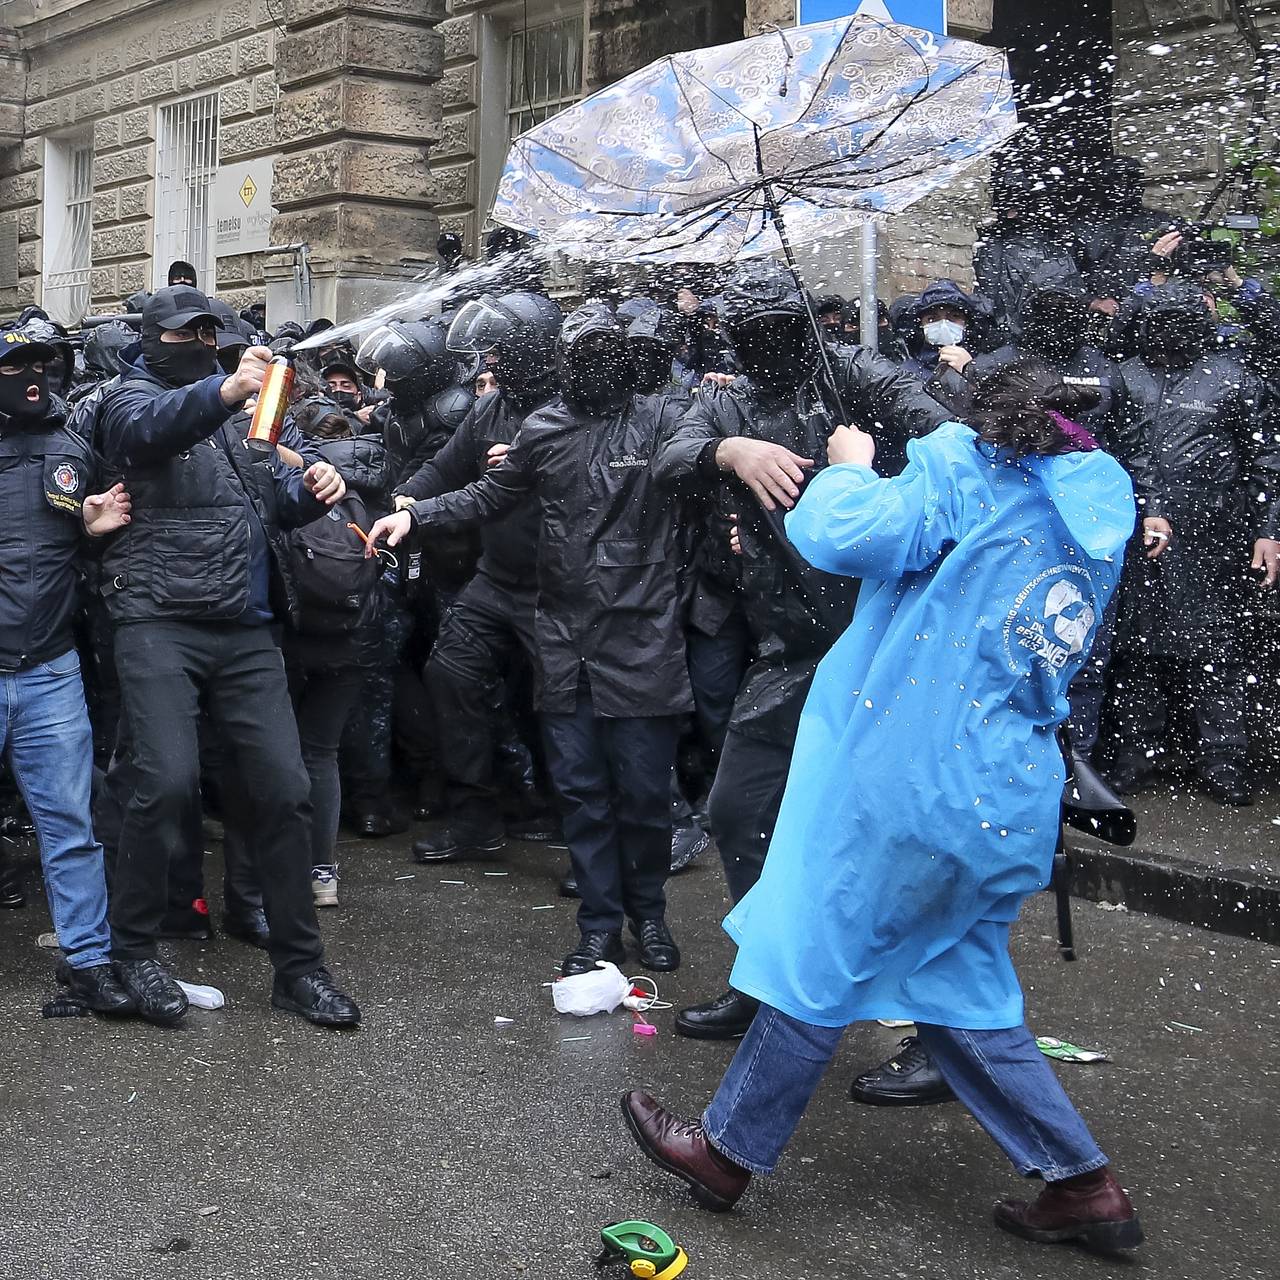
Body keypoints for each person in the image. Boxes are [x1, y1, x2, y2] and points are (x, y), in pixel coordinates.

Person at [621, 358, 1145, 1256]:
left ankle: (726, 1151)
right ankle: (1084, 1187)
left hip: (917, 778)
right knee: (960, 986)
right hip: (1006, 788)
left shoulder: (962, 472)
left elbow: (842, 536)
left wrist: (852, 464)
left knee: (824, 951)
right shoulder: (1096, 499)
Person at [652, 260, 949, 1041]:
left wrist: (877, 466)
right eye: (747, 335)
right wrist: (732, 453)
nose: (765, 347)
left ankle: (935, 1020)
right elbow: (668, 463)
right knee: (740, 808)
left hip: (884, 636)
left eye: (780, 331)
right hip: (788, 642)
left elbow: (954, 446)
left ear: (810, 325)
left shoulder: (859, 377)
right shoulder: (725, 397)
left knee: (895, 825)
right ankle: (766, 978)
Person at [368, 304, 693, 977]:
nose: (597, 367)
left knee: (639, 790)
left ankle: (650, 915)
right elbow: (483, 496)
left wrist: (733, 446)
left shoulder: (659, 418)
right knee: (580, 789)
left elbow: (702, 452)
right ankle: (600, 926)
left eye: (609, 353)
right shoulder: (542, 428)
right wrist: (415, 514)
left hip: (640, 637)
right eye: (587, 354)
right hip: (564, 636)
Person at [93, 285, 360, 1028]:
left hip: (245, 627)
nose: (202, 341)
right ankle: (135, 953)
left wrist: (312, 489)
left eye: (212, 331)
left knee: (284, 789)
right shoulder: (128, 399)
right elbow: (150, 433)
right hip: (158, 620)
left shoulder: (241, 416)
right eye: (187, 333)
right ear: (153, 338)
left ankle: (300, 970)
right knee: (165, 783)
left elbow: (268, 502)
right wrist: (227, 387)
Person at [394, 291, 564, 863]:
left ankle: (587, 830)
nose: (489, 363)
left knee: (568, 704)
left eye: (501, 352)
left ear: (531, 350)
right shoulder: (491, 408)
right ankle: (474, 818)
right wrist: (404, 499)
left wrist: (525, 462)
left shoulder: (575, 405)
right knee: (451, 674)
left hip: (560, 585)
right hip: (497, 579)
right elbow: (444, 469)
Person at [0, 328, 135, 1015]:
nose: (30, 377)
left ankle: (87, 962)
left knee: (70, 828)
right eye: (13, 365)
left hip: (50, 673)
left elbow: (79, 543)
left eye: (39, 365)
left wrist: (90, 525)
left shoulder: (72, 449)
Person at [1106, 281, 1279, 805]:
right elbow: (1112, 448)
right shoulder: (1126, 377)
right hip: (1135, 530)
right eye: (1156, 322)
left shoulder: (1235, 380)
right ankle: (1139, 749)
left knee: (1215, 647)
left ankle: (1221, 756)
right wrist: (1144, 505)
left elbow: (1267, 460)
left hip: (1212, 534)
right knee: (1138, 645)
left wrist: (1269, 529)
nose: (1165, 333)